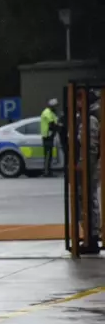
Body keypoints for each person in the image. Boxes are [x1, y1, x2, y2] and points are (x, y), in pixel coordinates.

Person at [76, 91, 101, 254]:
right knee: (84, 198)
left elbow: (91, 147)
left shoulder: (89, 120)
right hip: (85, 165)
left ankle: (92, 237)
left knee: (89, 198)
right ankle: (89, 235)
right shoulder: (82, 118)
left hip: (88, 166)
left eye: (79, 98)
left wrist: (84, 164)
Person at [41, 98, 60, 177]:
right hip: (47, 136)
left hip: (50, 136)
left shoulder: (51, 113)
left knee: (49, 154)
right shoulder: (47, 112)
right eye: (55, 106)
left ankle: (48, 171)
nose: (56, 108)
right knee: (48, 155)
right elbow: (51, 124)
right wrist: (58, 128)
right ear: (52, 106)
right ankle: (46, 172)